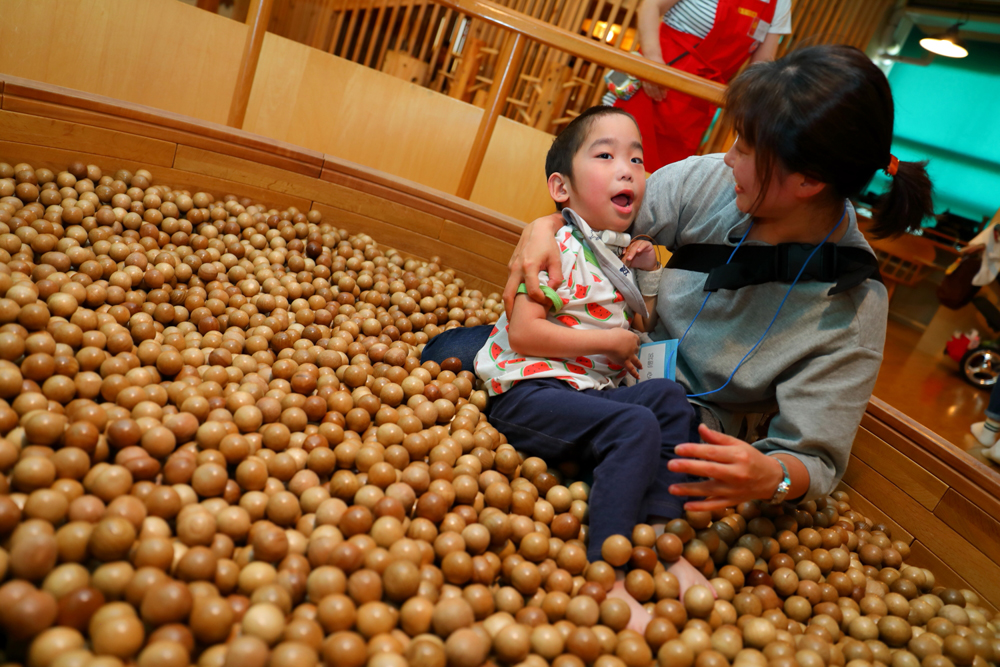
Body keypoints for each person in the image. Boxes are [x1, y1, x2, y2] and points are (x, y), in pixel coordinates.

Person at [424, 46, 934, 630]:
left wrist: (775, 475)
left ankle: (640, 547)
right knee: (457, 350)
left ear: (808, 181)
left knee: (641, 429)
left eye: (746, 148)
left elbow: (815, 457)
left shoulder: (852, 305)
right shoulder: (714, 184)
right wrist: (540, 225)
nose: (728, 157)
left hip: (686, 424)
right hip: (602, 357)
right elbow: (594, 213)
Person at [472, 106, 701, 625]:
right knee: (635, 422)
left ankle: (662, 539)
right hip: (531, 391)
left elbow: (639, 327)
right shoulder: (554, 247)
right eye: (606, 156)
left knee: (670, 400)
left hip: (586, 392)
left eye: (637, 159)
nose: (628, 169)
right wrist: (607, 343)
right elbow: (526, 332)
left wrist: (645, 277)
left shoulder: (614, 253)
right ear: (562, 188)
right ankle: (611, 571)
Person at [612, 0, 792, 172]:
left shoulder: (779, 3)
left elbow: (760, 67)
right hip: (652, 82)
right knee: (615, 155)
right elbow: (651, 6)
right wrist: (652, 66)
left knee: (660, 178)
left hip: (698, 103)